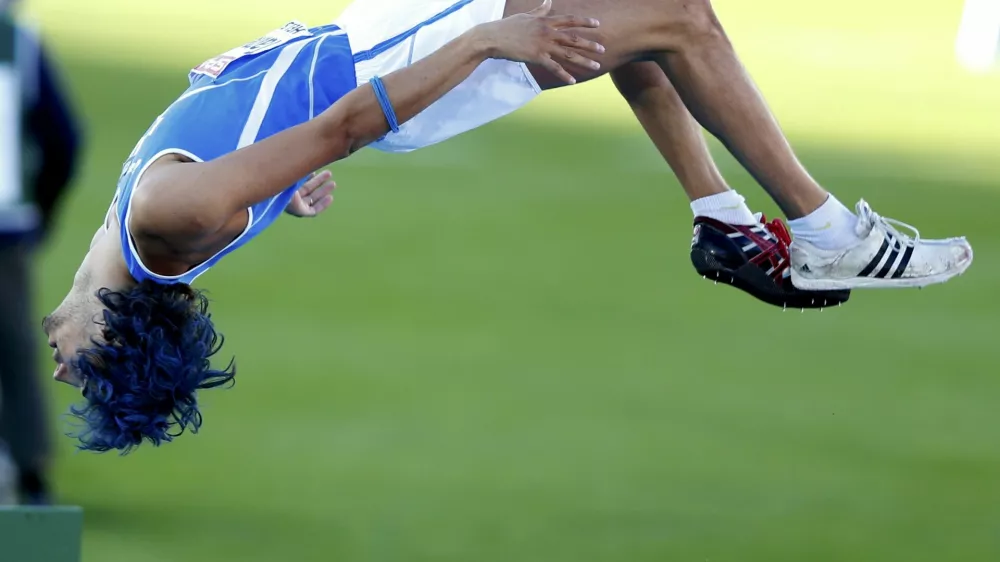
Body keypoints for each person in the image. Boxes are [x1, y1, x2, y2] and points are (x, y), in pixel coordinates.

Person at [42, 0, 972, 454]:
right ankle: (820, 229)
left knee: (640, 18)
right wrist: (484, 42)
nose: (56, 362)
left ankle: (723, 218)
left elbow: (284, 144)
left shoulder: (154, 227)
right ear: (117, 335)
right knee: (678, 19)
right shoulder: (169, 219)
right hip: (403, 59)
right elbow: (342, 125)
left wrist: (288, 186)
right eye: (79, 368)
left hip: (378, 43)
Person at [0, 0, 82, 500]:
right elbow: (64, 137)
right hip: (5, 230)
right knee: (12, 355)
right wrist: (42, 211)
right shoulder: (17, 39)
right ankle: (30, 482)